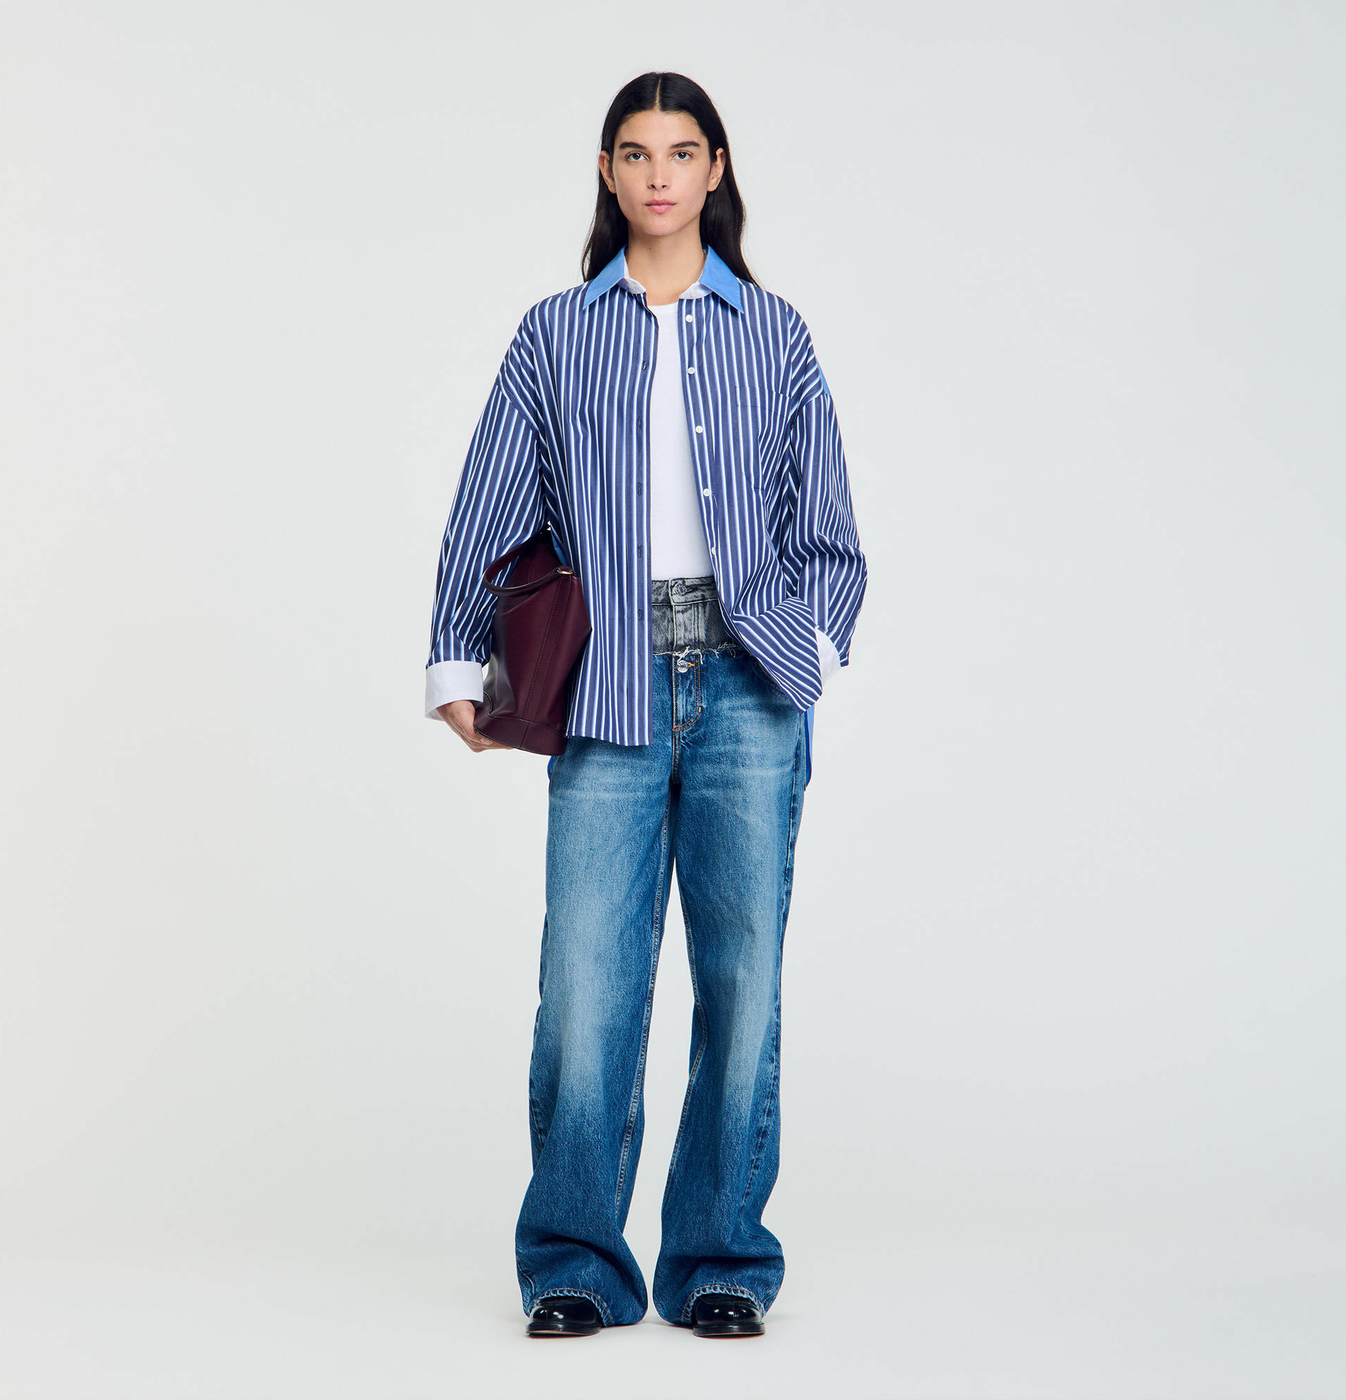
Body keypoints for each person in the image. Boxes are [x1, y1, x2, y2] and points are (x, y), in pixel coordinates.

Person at [423, 71, 867, 1339]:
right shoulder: (554, 336)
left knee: (741, 986)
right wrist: (459, 659)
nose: (658, 173)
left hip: (745, 689)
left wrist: (805, 648)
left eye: (680, 151)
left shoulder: (773, 332)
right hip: (607, 685)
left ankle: (720, 1257)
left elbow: (827, 524)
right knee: (585, 987)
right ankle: (573, 1261)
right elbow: (489, 501)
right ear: (607, 172)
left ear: (714, 169)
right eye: (634, 151)